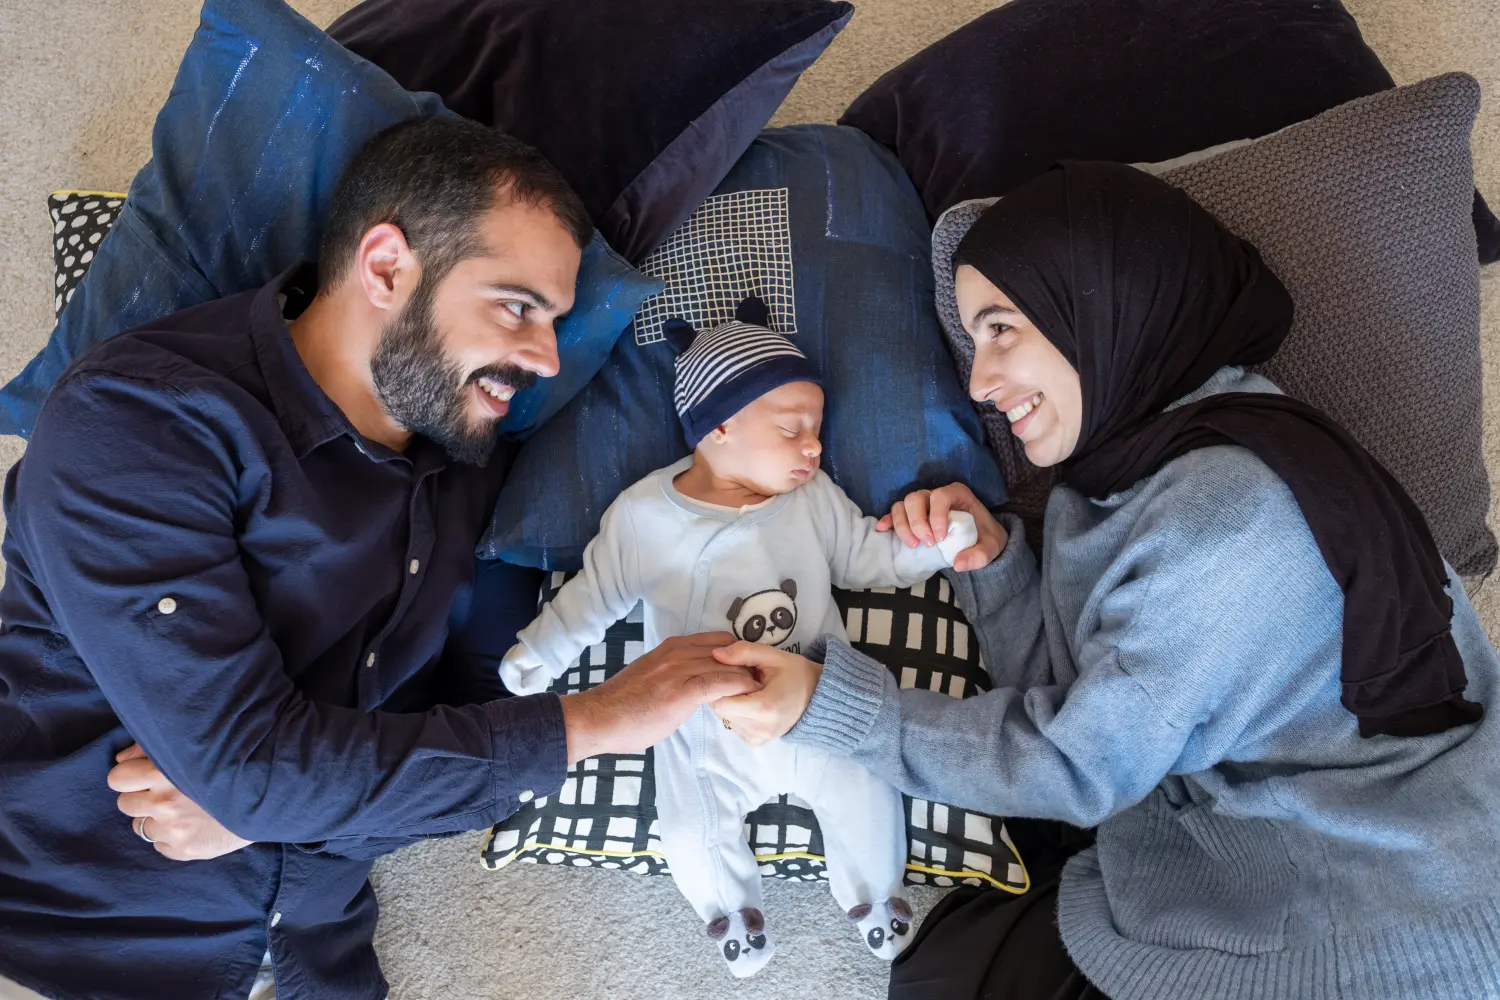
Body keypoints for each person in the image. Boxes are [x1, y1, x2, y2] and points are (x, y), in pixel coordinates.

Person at [0, 117, 759, 1000]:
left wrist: (280, 804)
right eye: (518, 306)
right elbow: (288, 768)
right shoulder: (139, 422)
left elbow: (479, 732)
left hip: (322, 954)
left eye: (553, 321)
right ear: (388, 265)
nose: (547, 359)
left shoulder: (473, 470)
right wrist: (600, 720)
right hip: (67, 938)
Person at [711, 162, 1500, 1000]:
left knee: (948, 974)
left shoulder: (1222, 522)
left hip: (1377, 916)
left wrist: (829, 705)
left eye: (1002, 328)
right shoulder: (1170, 452)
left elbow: (1077, 770)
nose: (978, 383)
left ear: (1102, 302)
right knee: (954, 955)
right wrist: (998, 565)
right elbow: (1093, 688)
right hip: (1282, 841)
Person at [498, 297, 984, 976]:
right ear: (718, 427)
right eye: (792, 429)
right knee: (688, 818)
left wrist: (935, 546)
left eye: (816, 428)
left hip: (819, 697)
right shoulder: (644, 516)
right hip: (704, 726)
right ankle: (729, 912)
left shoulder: (811, 500)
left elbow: (870, 560)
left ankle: (875, 898)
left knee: (864, 783)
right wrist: (538, 653)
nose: (814, 446)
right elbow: (593, 597)